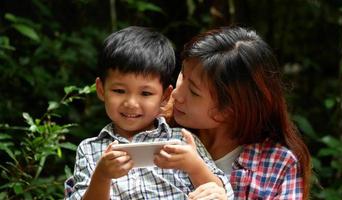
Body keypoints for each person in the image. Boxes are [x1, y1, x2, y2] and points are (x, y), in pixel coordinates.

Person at [65, 26, 233, 200]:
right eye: (119, 91)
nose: (131, 103)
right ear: (101, 89)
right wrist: (102, 176)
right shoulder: (91, 149)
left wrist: (194, 165)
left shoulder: (182, 141)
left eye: (145, 93)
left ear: (165, 97)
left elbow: (222, 194)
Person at [168, 26, 312, 199]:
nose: (176, 94)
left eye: (193, 91)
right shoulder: (153, 130)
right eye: (182, 75)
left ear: (228, 110)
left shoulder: (278, 165)